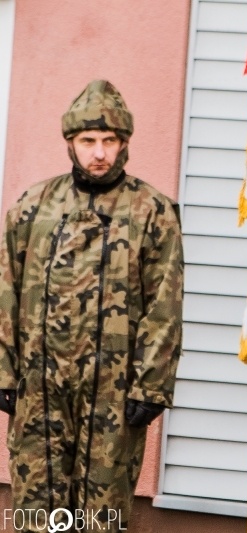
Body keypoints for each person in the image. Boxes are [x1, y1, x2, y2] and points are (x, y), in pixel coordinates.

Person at [0, 80, 183, 531]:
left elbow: (165, 304)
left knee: (102, 515)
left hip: (114, 396)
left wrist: (151, 387)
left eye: (109, 141)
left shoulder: (152, 211)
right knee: (35, 510)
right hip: (39, 389)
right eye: (88, 141)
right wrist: (3, 370)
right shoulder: (33, 207)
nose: (99, 153)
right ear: (70, 142)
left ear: (124, 143)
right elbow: (6, 288)